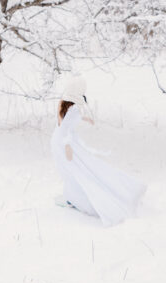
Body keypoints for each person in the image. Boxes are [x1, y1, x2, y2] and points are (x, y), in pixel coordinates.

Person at [51, 75, 145, 226]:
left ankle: (71, 195)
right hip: (65, 144)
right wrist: (68, 146)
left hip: (59, 142)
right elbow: (66, 128)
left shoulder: (63, 104)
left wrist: (82, 120)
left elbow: (63, 124)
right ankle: (79, 197)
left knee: (73, 171)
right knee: (81, 171)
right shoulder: (73, 108)